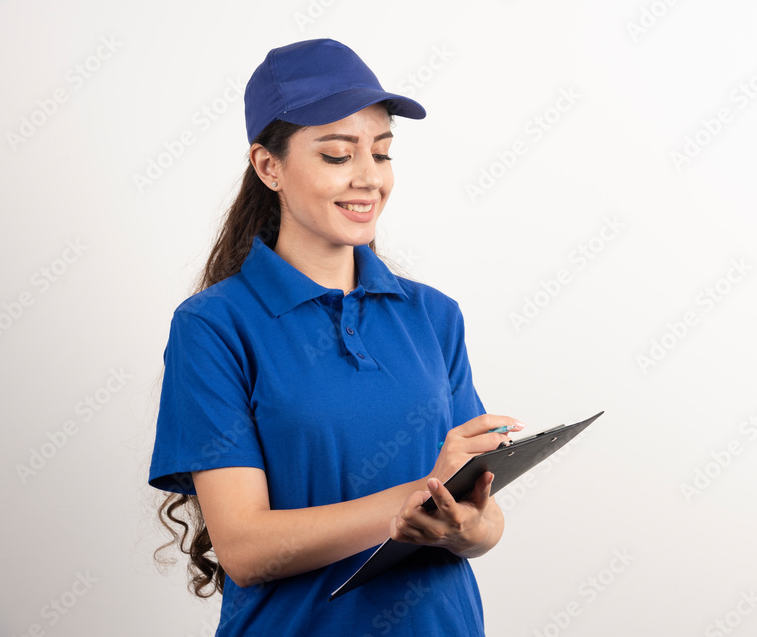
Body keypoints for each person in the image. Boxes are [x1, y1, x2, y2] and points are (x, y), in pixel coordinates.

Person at [148, 38, 524, 636]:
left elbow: (486, 520)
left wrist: (464, 527)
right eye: (336, 156)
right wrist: (416, 499)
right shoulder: (214, 327)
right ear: (268, 166)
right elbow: (245, 549)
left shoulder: (433, 315)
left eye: (382, 153)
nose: (369, 179)